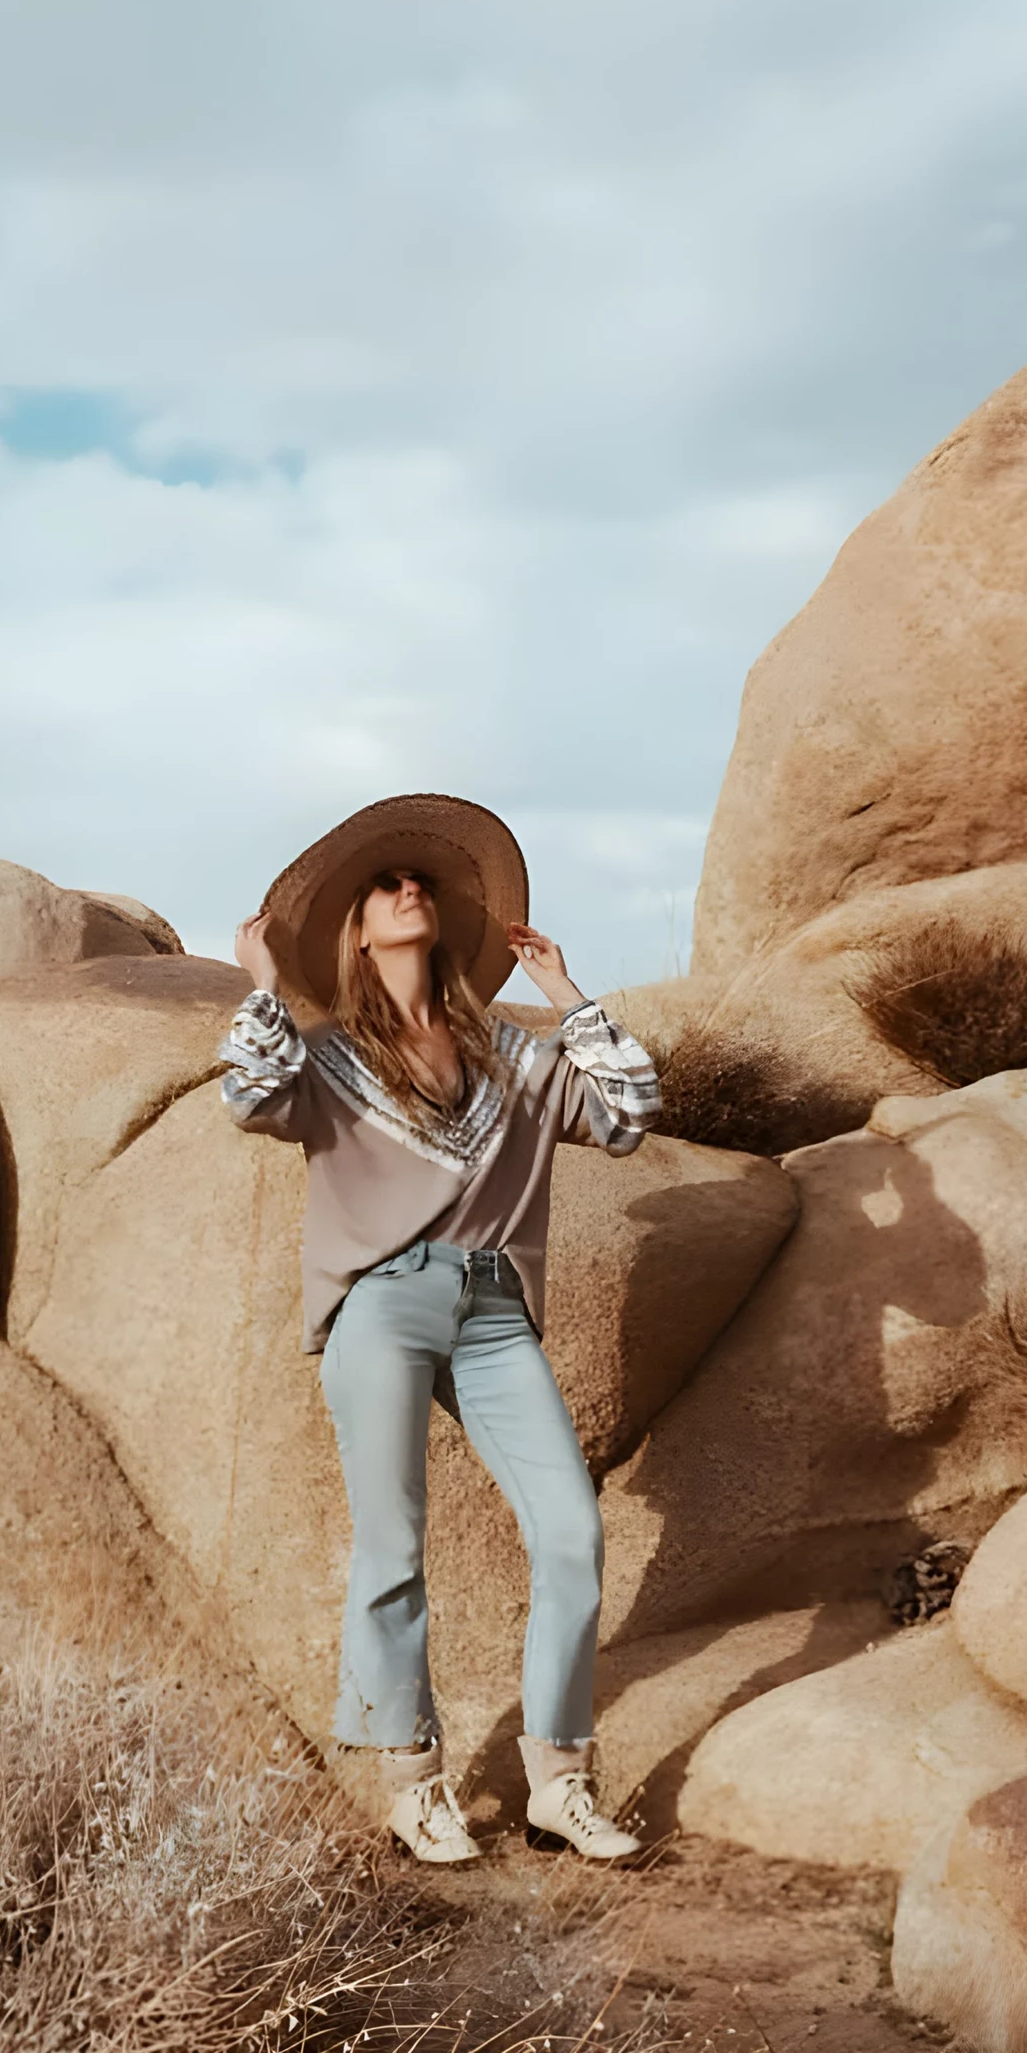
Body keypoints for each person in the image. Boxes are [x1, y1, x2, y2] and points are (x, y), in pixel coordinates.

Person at [219, 792, 662, 1867]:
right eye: (386, 884)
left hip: (495, 1311)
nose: (409, 888)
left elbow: (630, 1116)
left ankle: (559, 1783)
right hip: (382, 1305)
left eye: (419, 880)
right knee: (394, 1545)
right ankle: (414, 1786)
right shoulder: (326, 1059)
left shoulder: (513, 1055)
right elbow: (248, 1096)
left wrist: (567, 997)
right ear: (358, 931)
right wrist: (263, 983)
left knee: (571, 1529)